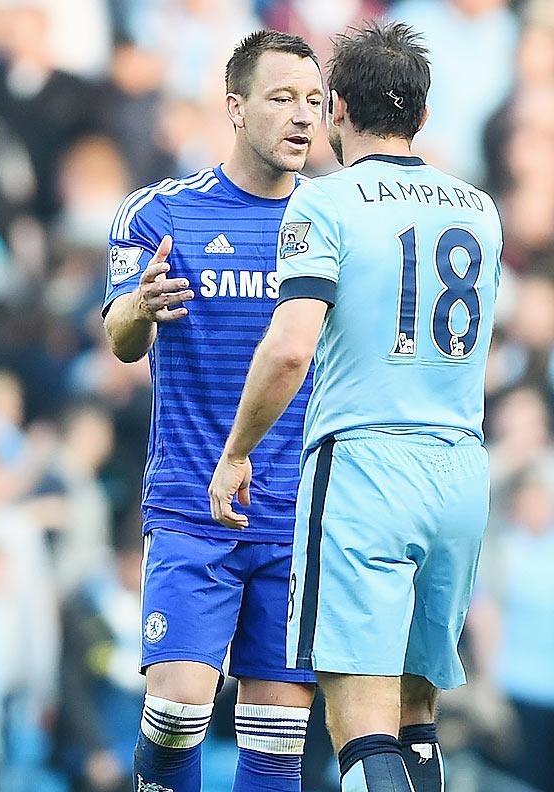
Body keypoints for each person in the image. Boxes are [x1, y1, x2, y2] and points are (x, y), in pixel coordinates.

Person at [209, 21, 502, 792]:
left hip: (366, 467)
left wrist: (237, 450)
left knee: (360, 721)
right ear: (424, 116)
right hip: (461, 472)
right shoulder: (479, 208)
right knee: (417, 717)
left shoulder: (325, 204)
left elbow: (290, 348)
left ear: (336, 108)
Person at [102, 30, 324, 792]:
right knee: (177, 709)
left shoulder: (330, 224)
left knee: (277, 734)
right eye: (282, 98)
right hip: (193, 503)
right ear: (235, 106)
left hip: (295, 512)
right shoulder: (160, 213)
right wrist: (139, 305)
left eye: (315, 102)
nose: (303, 117)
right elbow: (120, 341)